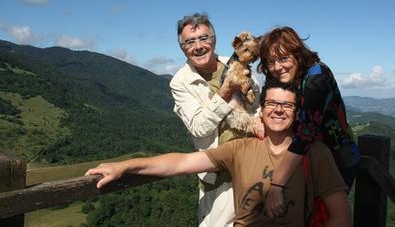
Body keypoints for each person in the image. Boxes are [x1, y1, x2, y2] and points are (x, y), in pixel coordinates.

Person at [86, 79, 352, 227]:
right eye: (271, 103)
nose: (278, 110)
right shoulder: (241, 148)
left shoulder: (314, 153)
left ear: (297, 113)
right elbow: (182, 163)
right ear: (262, 107)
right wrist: (125, 166)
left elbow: (341, 216)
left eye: (287, 105)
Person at [257, 26, 361, 218]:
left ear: (298, 54)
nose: (277, 67)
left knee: (325, 217)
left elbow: (306, 133)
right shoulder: (292, 78)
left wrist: (277, 184)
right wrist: (258, 119)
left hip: (336, 159)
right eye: (271, 61)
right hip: (307, 158)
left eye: (284, 58)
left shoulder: (317, 76)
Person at [169, 13, 260, 226]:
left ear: (214, 40)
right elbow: (199, 127)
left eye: (204, 38)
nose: (198, 46)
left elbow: (256, 104)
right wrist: (226, 91)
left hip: (253, 164)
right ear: (182, 48)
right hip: (220, 177)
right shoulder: (180, 82)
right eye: (190, 42)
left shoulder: (235, 62)